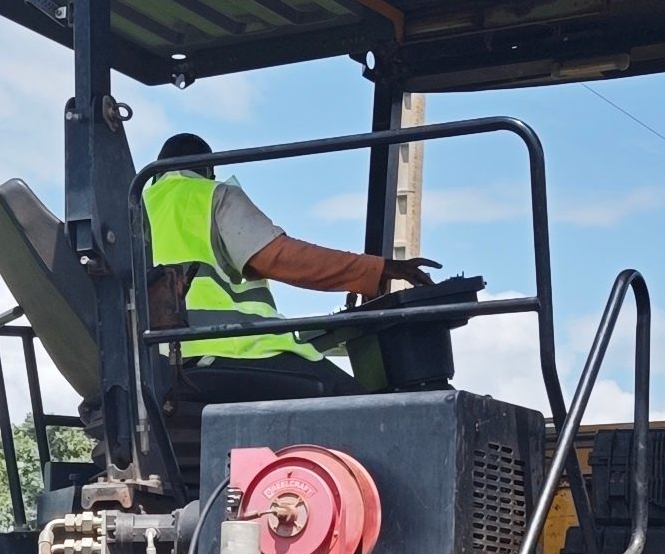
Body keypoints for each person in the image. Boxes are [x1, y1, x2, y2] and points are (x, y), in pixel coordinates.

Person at [138, 131, 448, 403]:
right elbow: (279, 257)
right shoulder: (209, 194)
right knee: (362, 408)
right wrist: (375, 270)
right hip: (230, 353)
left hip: (155, 364)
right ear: (209, 170)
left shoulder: (134, 207)